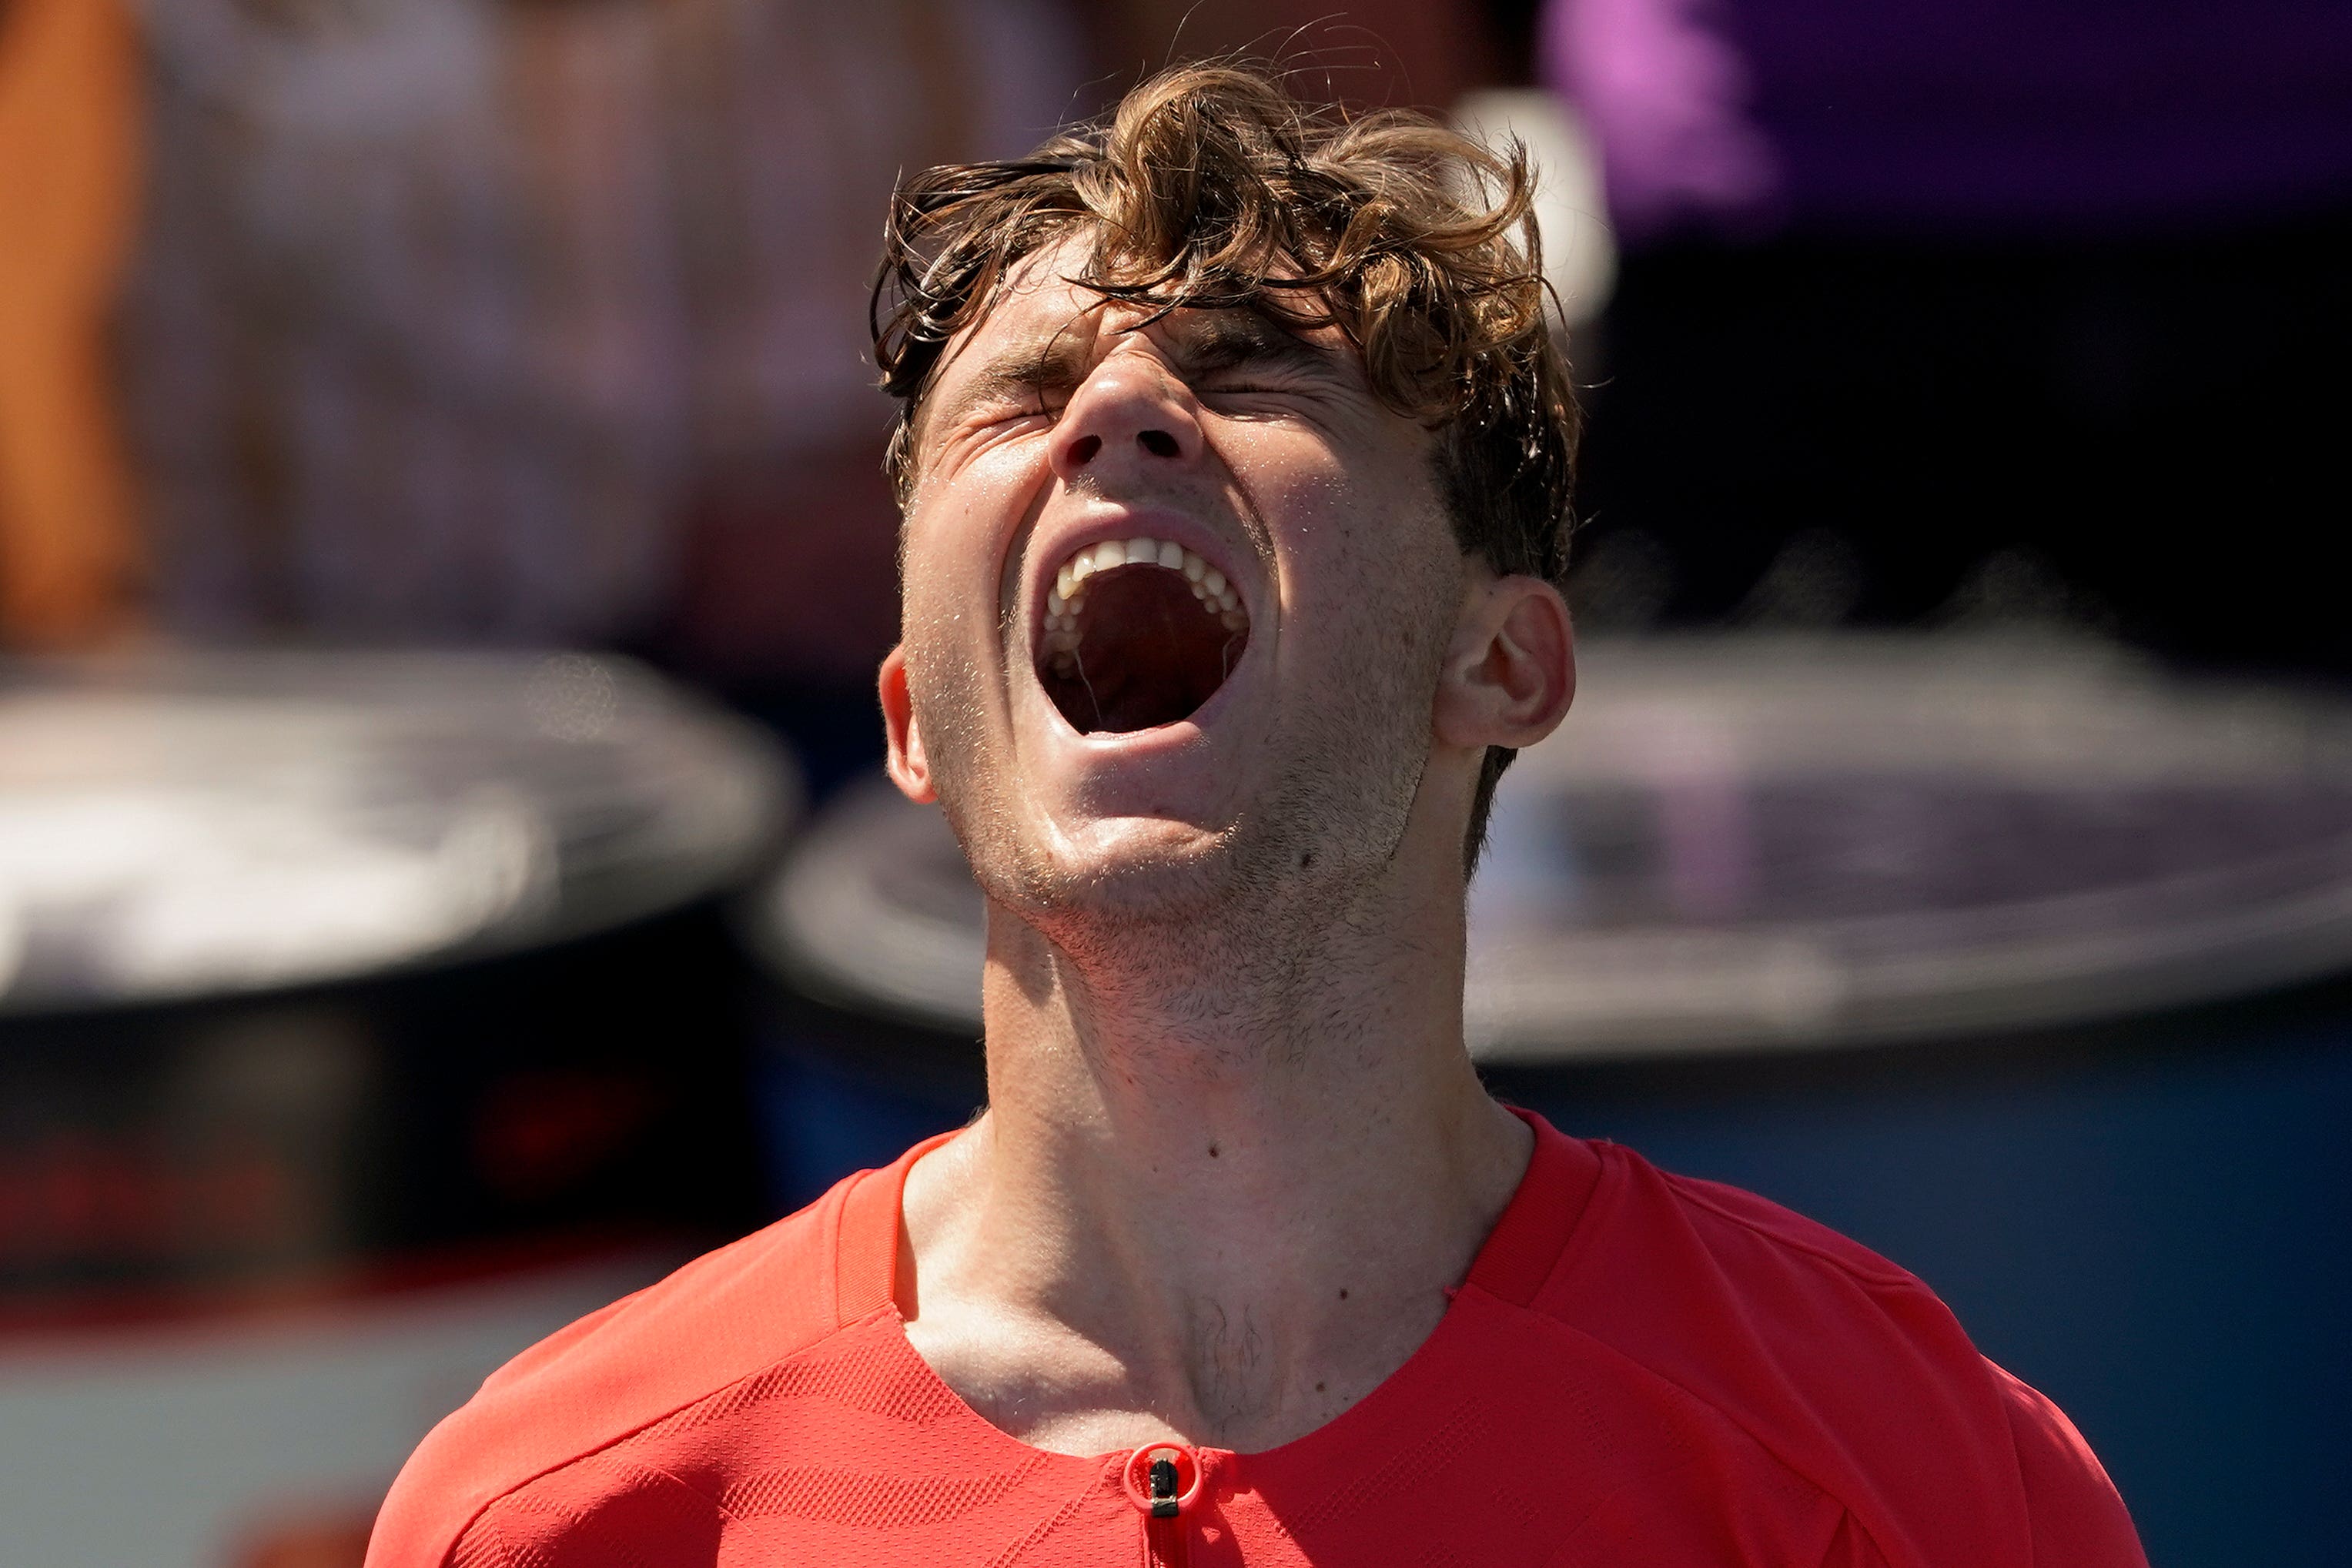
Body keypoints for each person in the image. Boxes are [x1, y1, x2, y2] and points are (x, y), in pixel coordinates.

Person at [366, 63, 2145, 1566]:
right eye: (1025, 395)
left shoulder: (1900, 1469)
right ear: (914, 720)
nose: (1120, 413)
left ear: (1505, 664)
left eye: (1246, 376)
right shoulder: (557, 1513)